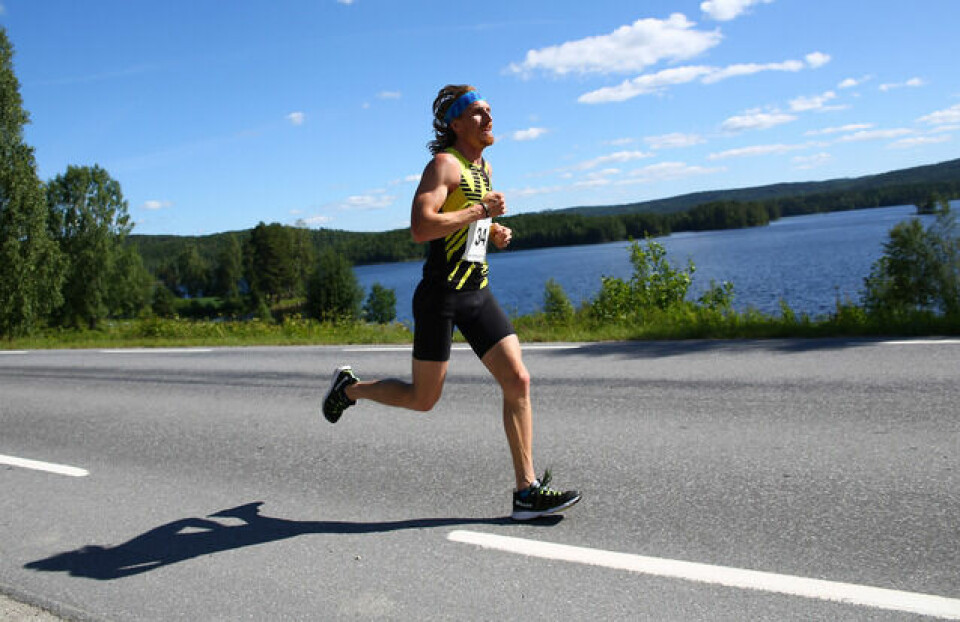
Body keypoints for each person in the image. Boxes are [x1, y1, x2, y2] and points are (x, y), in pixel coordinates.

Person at [323, 85, 580, 521]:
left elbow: (468, 224)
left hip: (477, 293)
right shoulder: (443, 165)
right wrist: (481, 212)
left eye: (490, 111)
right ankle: (349, 389)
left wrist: (492, 231)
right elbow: (421, 227)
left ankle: (526, 491)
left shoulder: (484, 167)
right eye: (478, 113)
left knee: (518, 380)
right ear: (456, 124)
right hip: (440, 296)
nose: (488, 118)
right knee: (424, 399)